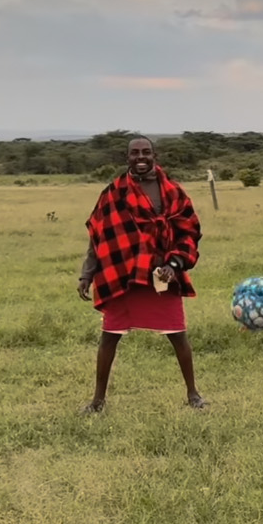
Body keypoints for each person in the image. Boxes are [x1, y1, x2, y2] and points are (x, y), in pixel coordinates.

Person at [77, 137, 206, 412]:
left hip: (163, 274)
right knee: (109, 336)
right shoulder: (113, 193)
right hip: (122, 274)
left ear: (155, 154)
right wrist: (86, 274)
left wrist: (175, 264)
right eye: (135, 153)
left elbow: (189, 232)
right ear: (127, 157)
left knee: (178, 333)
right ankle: (97, 401)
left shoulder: (173, 191)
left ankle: (193, 394)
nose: (140, 157)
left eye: (146, 152)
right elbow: (98, 238)